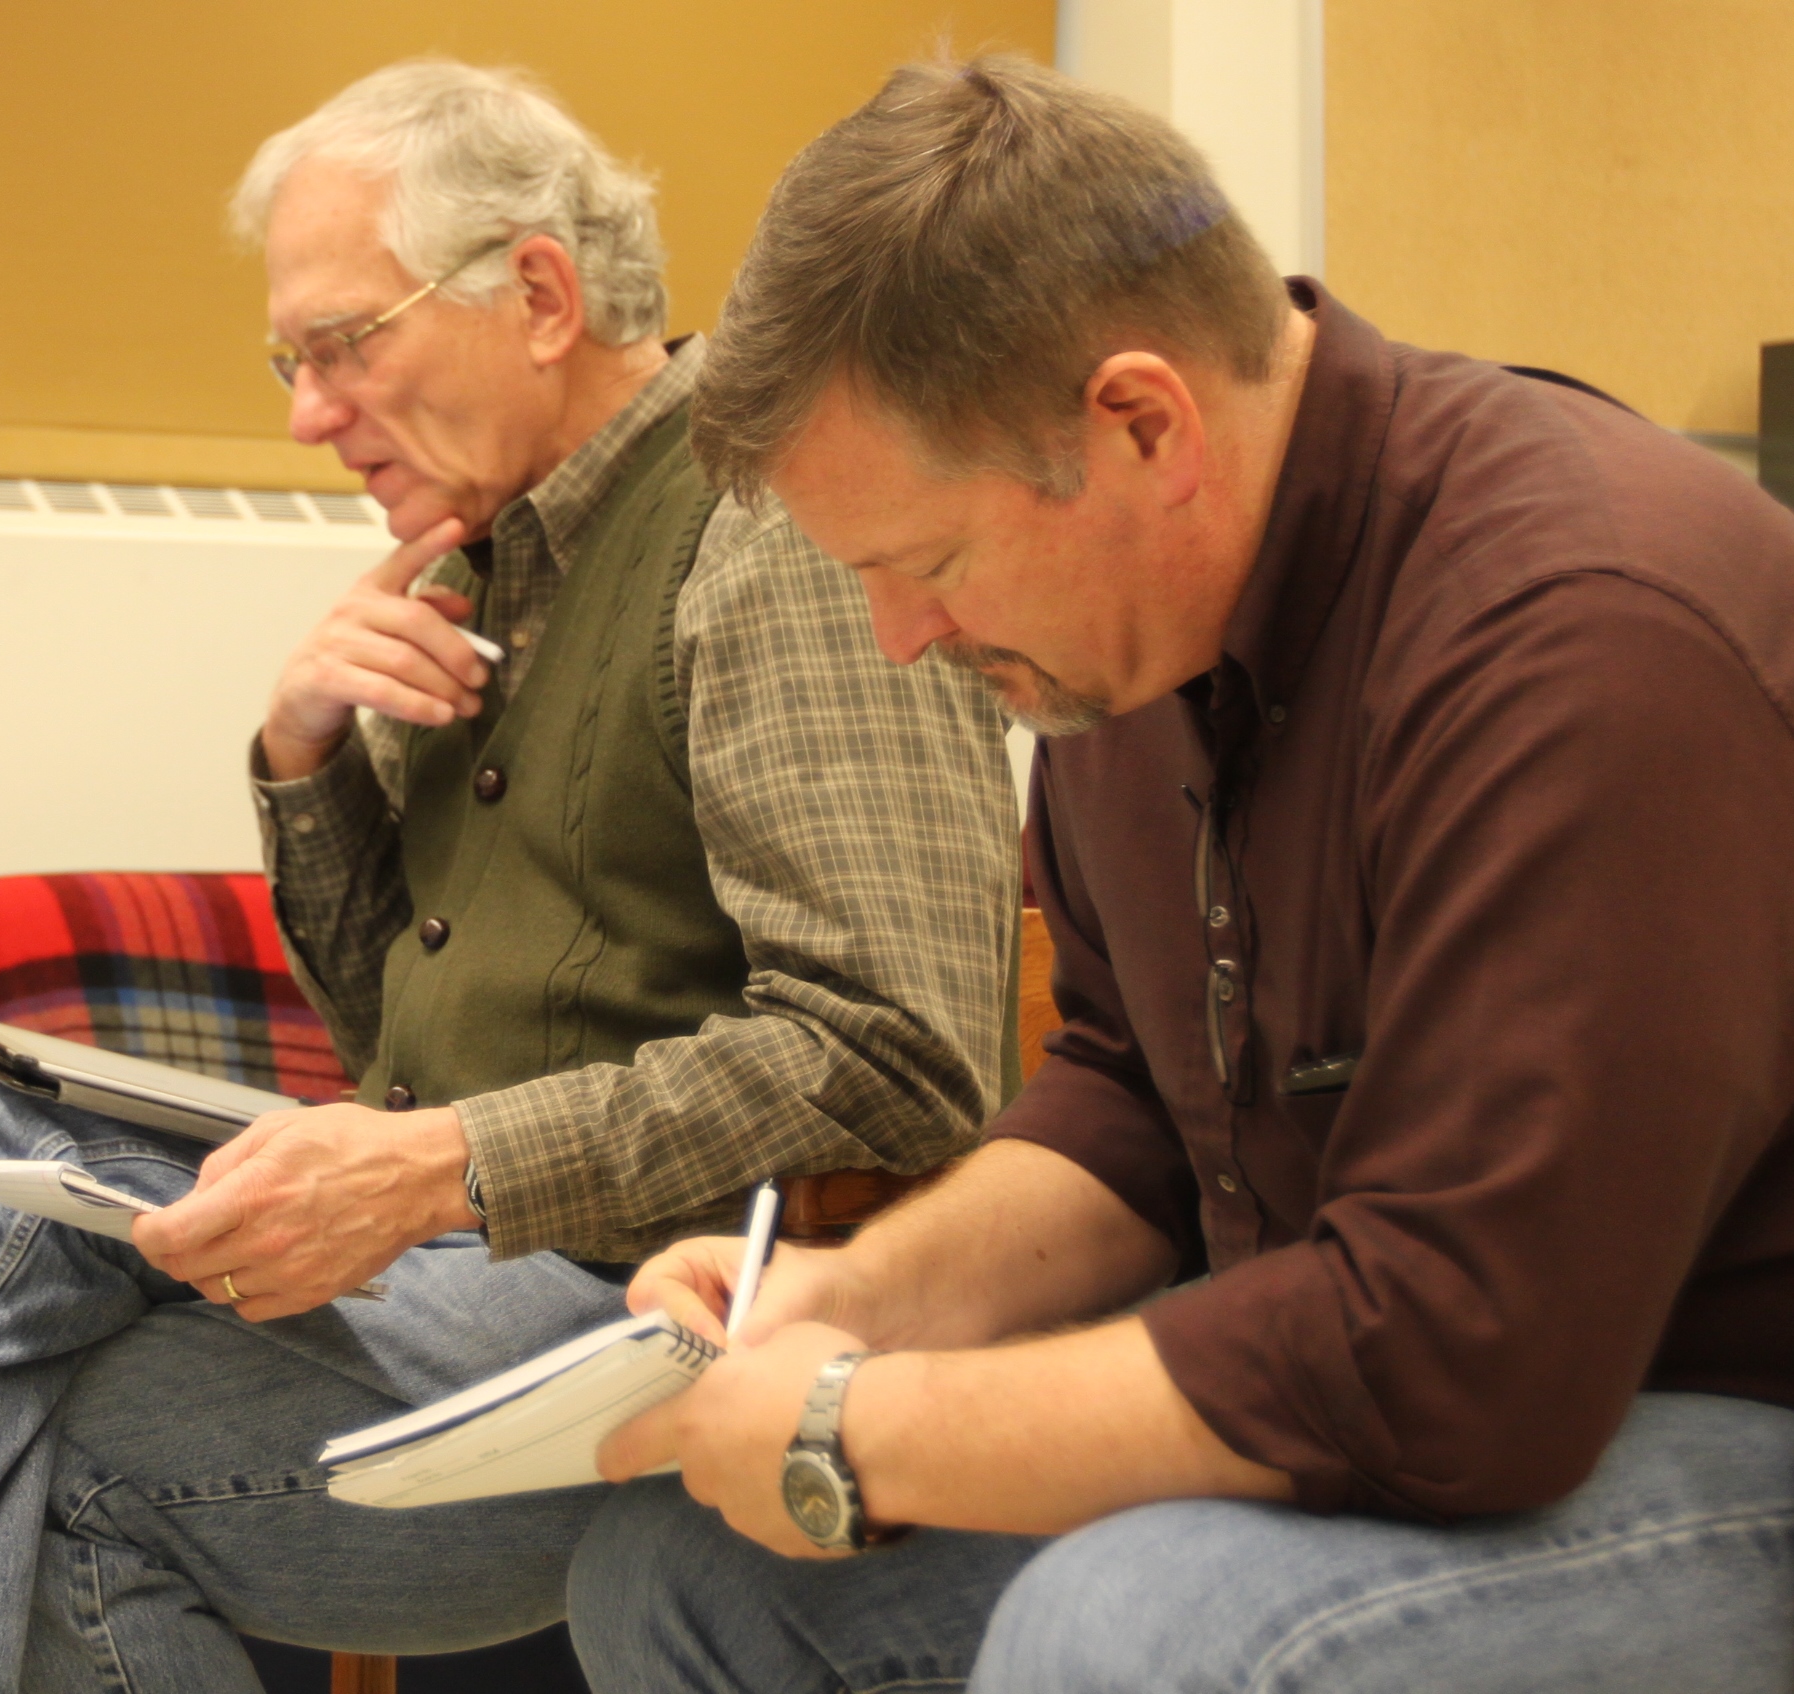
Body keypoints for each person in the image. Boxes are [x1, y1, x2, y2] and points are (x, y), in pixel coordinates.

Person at [0, 59, 1019, 1694]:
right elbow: (395, 1039)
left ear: (541, 294)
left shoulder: (768, 531)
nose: (303, 412)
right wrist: (305, 757)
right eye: (288, 359)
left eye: (344, 344)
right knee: (15, 1399)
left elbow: (898, 1053)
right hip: (482, 1284)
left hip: (680, 1313)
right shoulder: (476, 570)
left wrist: (438, 1164)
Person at [568, 55, 1794, 1694]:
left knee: (1138, 1626)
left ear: (1137, 423)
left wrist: (862, 1421)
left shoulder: (1575, 633)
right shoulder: (1115, 641)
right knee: (681, 1578)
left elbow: (1455, 1352)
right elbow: (1132, 1101)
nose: (900, 636)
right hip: (1418, 1364)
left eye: (925, 561)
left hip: (1703, 1411)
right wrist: (853, 1300)